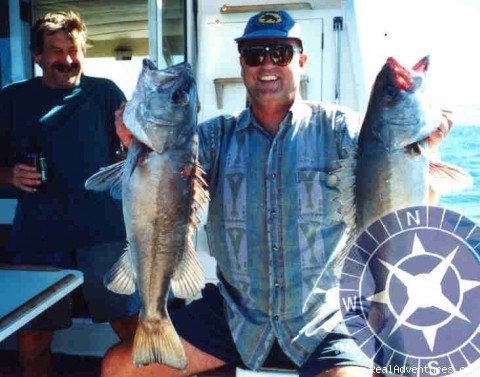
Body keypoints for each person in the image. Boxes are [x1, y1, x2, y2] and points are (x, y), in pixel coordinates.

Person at [102, 10, 451, 377]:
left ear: (301, 61)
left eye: (281, 53)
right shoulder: (212, 138)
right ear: (242, 65)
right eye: (255, 55)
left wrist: (423, 153)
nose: (267, 64)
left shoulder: (343, 131)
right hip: (235, 315)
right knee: (118, 367)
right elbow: (161, 181)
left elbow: (398, 207)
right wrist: (136, 145)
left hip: (324, 317)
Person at [0, 11, 140, 376]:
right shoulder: (12, 100)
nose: (66, 59)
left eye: (73, 49)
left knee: (132, 329)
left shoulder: (106, 92)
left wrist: (143, 134)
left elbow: (140, 153)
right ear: (37, 56)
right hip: (40, 238)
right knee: (32, 339)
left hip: (105, 235)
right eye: (56, 51)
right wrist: (10, 174)